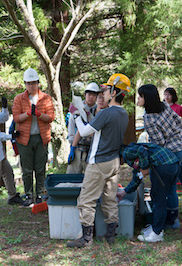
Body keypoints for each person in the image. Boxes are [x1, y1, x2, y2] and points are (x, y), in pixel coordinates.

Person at [66, 73, 130, 248]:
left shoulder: (106, 113)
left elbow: (86, 131)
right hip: (114, 162)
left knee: (86, 200)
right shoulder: (124, 114)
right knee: (109, 199)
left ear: (115, 92)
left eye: (107, 89)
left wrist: (77, 115)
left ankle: (86, 239)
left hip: (98, 161)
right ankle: (110, 235)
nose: (104, 92)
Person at [137, 84, 182, 223]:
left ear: (146, 98)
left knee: (171, 186)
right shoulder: (163, 105)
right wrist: (176, 134)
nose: (138, 98)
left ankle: (173, 221)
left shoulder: (148, 118)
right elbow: (178, 120)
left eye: (140, 96)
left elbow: (159, 142)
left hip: (173, 153)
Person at [117, 143, 180, 242]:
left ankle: (157, 232)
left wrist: (144, 168)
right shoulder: (132, 154)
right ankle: (158, 226)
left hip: (163, 166)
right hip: (173, 163)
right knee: (160, 196)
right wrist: (124, 192)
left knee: (158, 198)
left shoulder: (126, 152)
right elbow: (138, 176)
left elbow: (141, 153)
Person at [12, 68, 55, 207]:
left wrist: (39, 114)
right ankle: (29, 195)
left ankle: (41, 194)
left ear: (38, 83)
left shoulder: (46, 98)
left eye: (34, 83)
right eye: (29, 83)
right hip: (24, 139)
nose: (31, 86)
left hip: (41, 137)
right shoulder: (19, 98)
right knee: (27, 169)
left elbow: (51, 117)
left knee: (40, 168)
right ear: (25, 84)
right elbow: (16, 118)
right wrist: (29, 114)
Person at [67, 83, 101, 174]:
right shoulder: (76, 107)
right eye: (89, 94)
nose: (91, 97)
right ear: (85, 95)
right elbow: (71, 127)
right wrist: (72, 147)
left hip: (91, 149)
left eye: (94, 95)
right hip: (77, 147)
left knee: (90, 179)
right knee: (71, 178)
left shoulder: (99, 110)